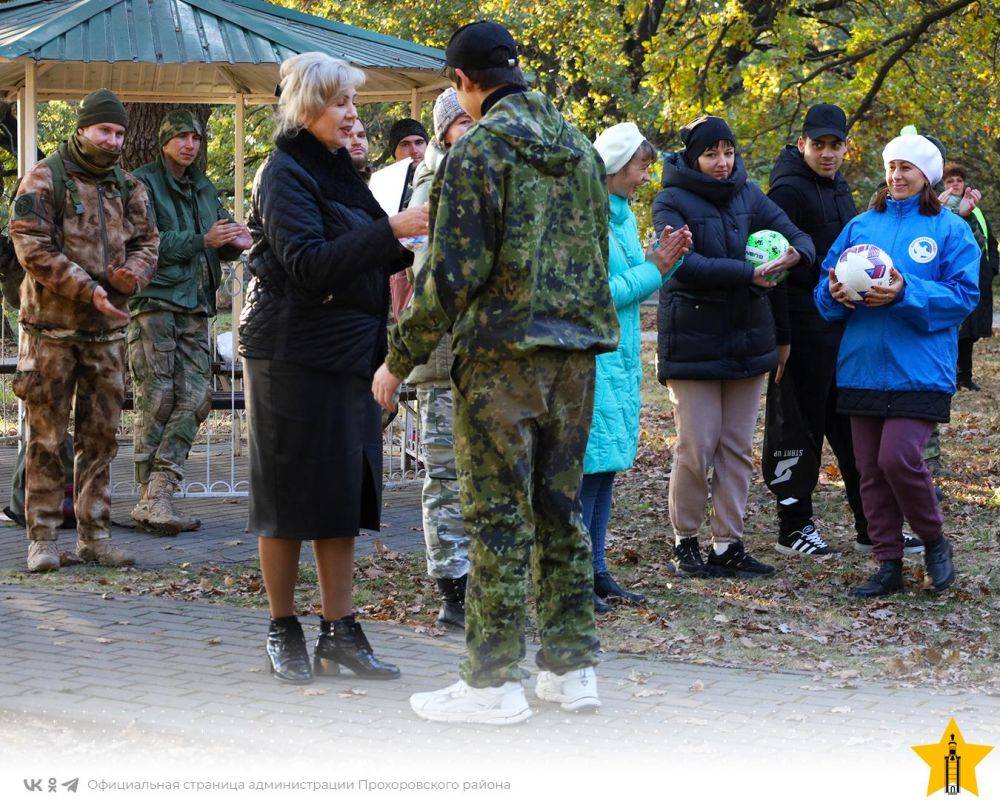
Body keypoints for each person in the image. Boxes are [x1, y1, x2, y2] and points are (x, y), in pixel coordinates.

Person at [372, 20, 618, 724]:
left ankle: (490, 683)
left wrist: (396, 361)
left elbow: (450, 275)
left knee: (495, 519)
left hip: (501, 362)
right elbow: (595, 256)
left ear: (463, 83)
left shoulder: (477, 153)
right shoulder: (577, 149)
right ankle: (571, 671)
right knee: (559, 513)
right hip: (574, 359)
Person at [240, 53, 426, 683]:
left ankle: (339, 632)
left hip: (349, 354)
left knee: (342, 496)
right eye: (340, 103)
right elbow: (309, 264)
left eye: (352, 102)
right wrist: (393, 230)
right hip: (292, 355)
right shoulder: (283, 171)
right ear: (306, 107)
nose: (352, 115)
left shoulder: (341, 170)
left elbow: (369, 253)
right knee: (290, 498)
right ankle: (283, 627)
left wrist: (412, 241)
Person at [815, 134, 980, 598]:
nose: (897, 175)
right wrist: (832, 295)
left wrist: (907, 293)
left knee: (898, 458)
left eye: (908, 168)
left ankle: (933, 540)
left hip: (921, 368)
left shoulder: (950, 230)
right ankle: (887, 563)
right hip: (862, 366)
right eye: (892, 167)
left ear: (926, 176)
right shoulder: (861, 227)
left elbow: (965, 296)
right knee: (869, 468)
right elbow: (824, 290)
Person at [651, 115, 815, 580]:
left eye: (728, 152)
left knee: (737, 448)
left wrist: (796, 254)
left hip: (748, 339)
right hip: (693, 341)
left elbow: (797, 234)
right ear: (692, 157)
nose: (722, 163)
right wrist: (748, 275)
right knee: (695, 447)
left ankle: (728, 544)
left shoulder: (750, 193)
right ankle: (686, 541)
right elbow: (682, 265)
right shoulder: (669, 200)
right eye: (711, 154)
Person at [9, 88, 159, 572]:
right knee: (47, 438)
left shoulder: (130, 186)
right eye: (104, 131)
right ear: (82, 128)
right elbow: (29, 244)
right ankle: (45, 539)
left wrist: (132, 276)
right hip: (50, 331)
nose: (113, 141)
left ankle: (95, 536)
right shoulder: (44, 178)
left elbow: (147, 242)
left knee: (102, 439)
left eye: (119, 132)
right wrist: (86, 288)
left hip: (107, 335)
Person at [762, 104, 919, 558]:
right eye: (819, 145)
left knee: (852, 429)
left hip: (841, 332)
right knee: (798, 428)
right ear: (802, 145)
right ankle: (793, 526)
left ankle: (871, 524)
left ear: (847, 147)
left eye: (836, 145)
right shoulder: (786, 192)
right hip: (801, 335)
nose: (827, 153)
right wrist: (783, 338)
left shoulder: (840, 188)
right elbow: (777, 272)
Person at [129, 110, 251, 534]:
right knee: (157, 398)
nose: (190, 144)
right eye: (181, 136)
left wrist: (234, 242)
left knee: (197, 398)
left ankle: (160, 487)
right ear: (164, 141)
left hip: (197, 306)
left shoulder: (202, 187)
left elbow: (216, 244)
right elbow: (142, 244)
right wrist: (203, 240)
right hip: (157, 302)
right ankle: (150, 496)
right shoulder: (142, 182)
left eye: (196, 138)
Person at [585, 122, 690, 613]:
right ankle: (577, 574)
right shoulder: (587, 216)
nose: (646, 176)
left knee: (605, 471)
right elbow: (598, 295)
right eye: (640, 166)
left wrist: (661, 262)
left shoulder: (622, 215)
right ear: (614, 165)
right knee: (587, 471)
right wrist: (654, 267)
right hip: (594, 358)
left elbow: (635, 286)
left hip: (620, 358)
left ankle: (598, 569)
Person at [400, 88, 475, 629]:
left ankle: (478, 581)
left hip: (484, 355)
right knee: (445, 476)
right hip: (444, 356)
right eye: (462, 123)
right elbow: (431, 275)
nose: (472, 129)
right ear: (444, 130)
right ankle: (453, 585)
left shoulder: (483, 173)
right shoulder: (434, 182)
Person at [940, 163, 997, 391]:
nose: (955, 184)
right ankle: (950, 375)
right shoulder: (939, 209)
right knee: (955, 329)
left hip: (979, 276)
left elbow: (989, 240)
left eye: (958, 181)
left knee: (971, 332)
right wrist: (960, 214)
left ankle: (965, 376)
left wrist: (992, 267)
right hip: (954, 276)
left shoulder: (976, 210)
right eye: (950, 181)